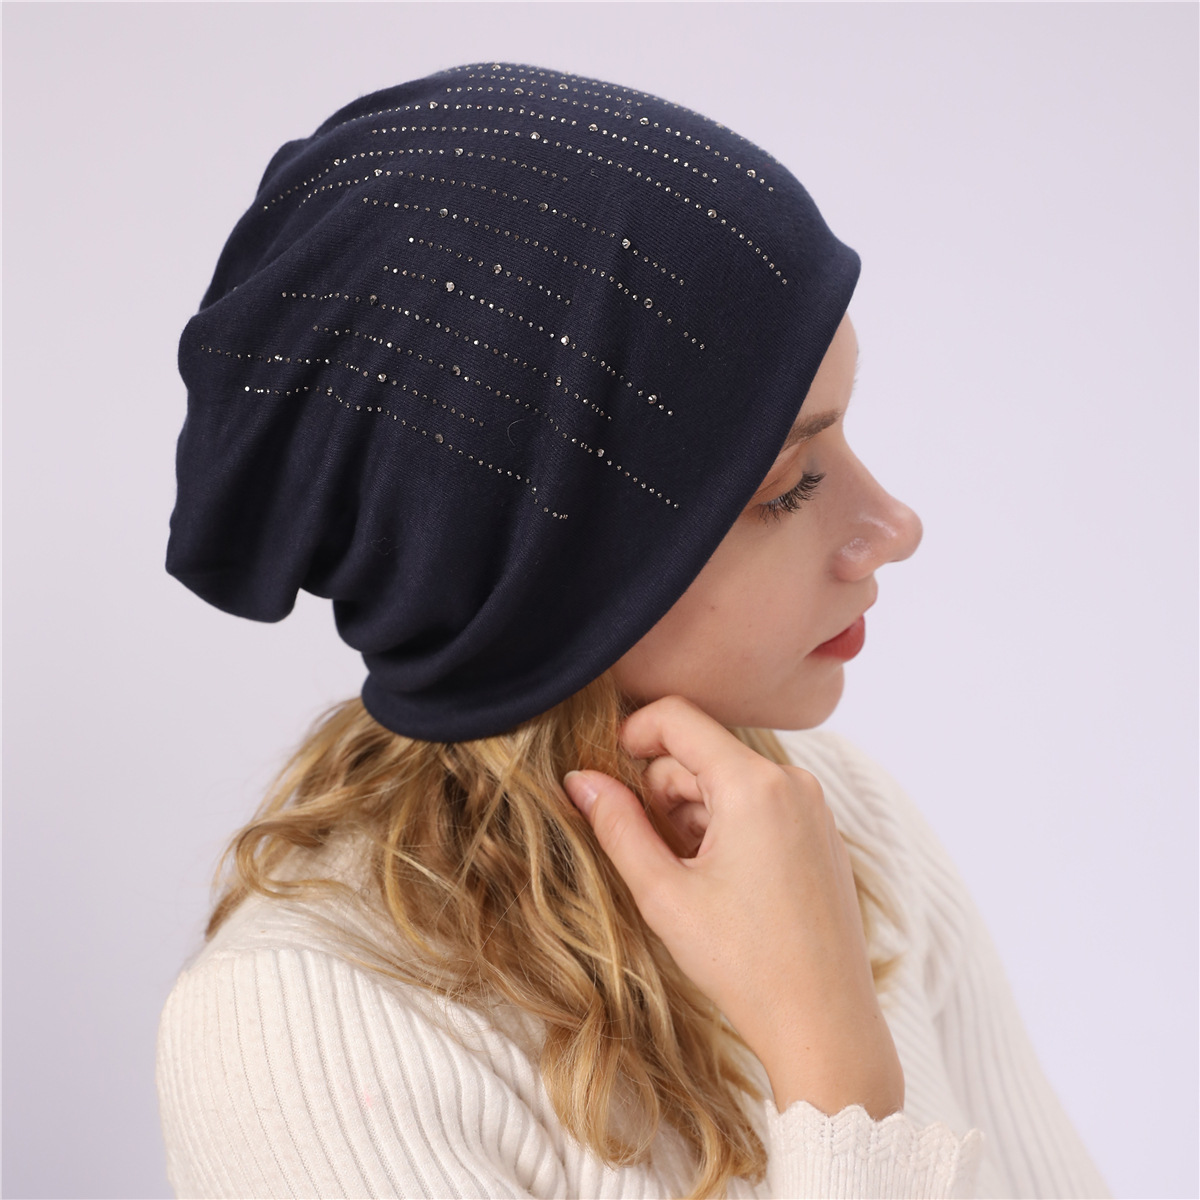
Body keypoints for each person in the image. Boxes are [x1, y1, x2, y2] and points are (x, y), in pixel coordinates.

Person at [157, 62, 1108, 1199]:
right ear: (537, 558)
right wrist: (832, 1071)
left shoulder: (829, 819)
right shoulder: (300, 1034)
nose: (892, 527)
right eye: (788, 485)